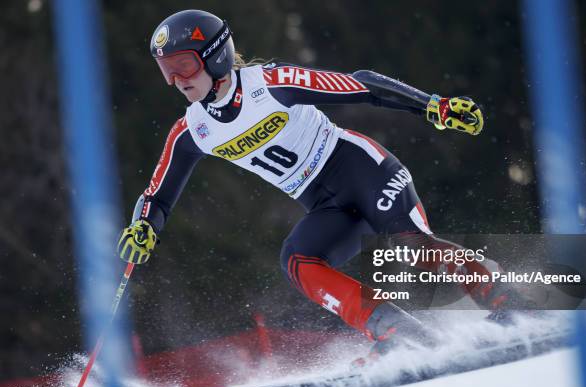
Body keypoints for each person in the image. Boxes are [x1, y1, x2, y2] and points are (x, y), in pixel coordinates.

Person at [117, 10, 520, 354]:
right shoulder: (191, 131)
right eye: (167, 71)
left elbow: (361, 85)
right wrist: (143, 227)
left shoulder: (270, 84)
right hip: (327, 206)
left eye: (183, 66)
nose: (177, 80)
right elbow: (158, 195)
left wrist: (434, 106)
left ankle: (506, 296)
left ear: (216, 56)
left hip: (363, 171)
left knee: (414, 249)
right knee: (298, 261)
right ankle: (397, 333)